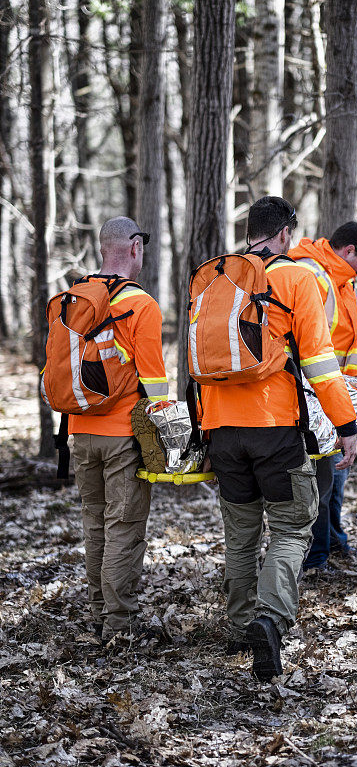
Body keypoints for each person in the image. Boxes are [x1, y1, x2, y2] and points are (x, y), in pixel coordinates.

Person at [200, 196, 357, 680]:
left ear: (251, 230)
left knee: (241, 531)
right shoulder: (296, 278)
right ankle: (269, 619)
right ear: (286, 233)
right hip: (274, 429)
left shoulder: (214, 275)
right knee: (292, 527)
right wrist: (346, 424)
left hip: (220, 430)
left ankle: (239, 624)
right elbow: (320, 363)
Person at [70, 217, 168, 643]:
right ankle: (119, 625)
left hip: (78, 430)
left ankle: (98, 614)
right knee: (123, 526)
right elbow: (155, 383)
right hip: (123, 434)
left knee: (95, 522)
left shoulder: (73, 298)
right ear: (133, 248)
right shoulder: (140, 305)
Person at [289, 222, 357, 569]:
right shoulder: (315, 276)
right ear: (349, 251)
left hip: (339, 395)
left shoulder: (343, 282)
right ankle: (318, 554)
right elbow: (313, 350)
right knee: (324, 482)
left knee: (335, 480)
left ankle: (333, 542)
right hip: (319, 396)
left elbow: (349, 342)